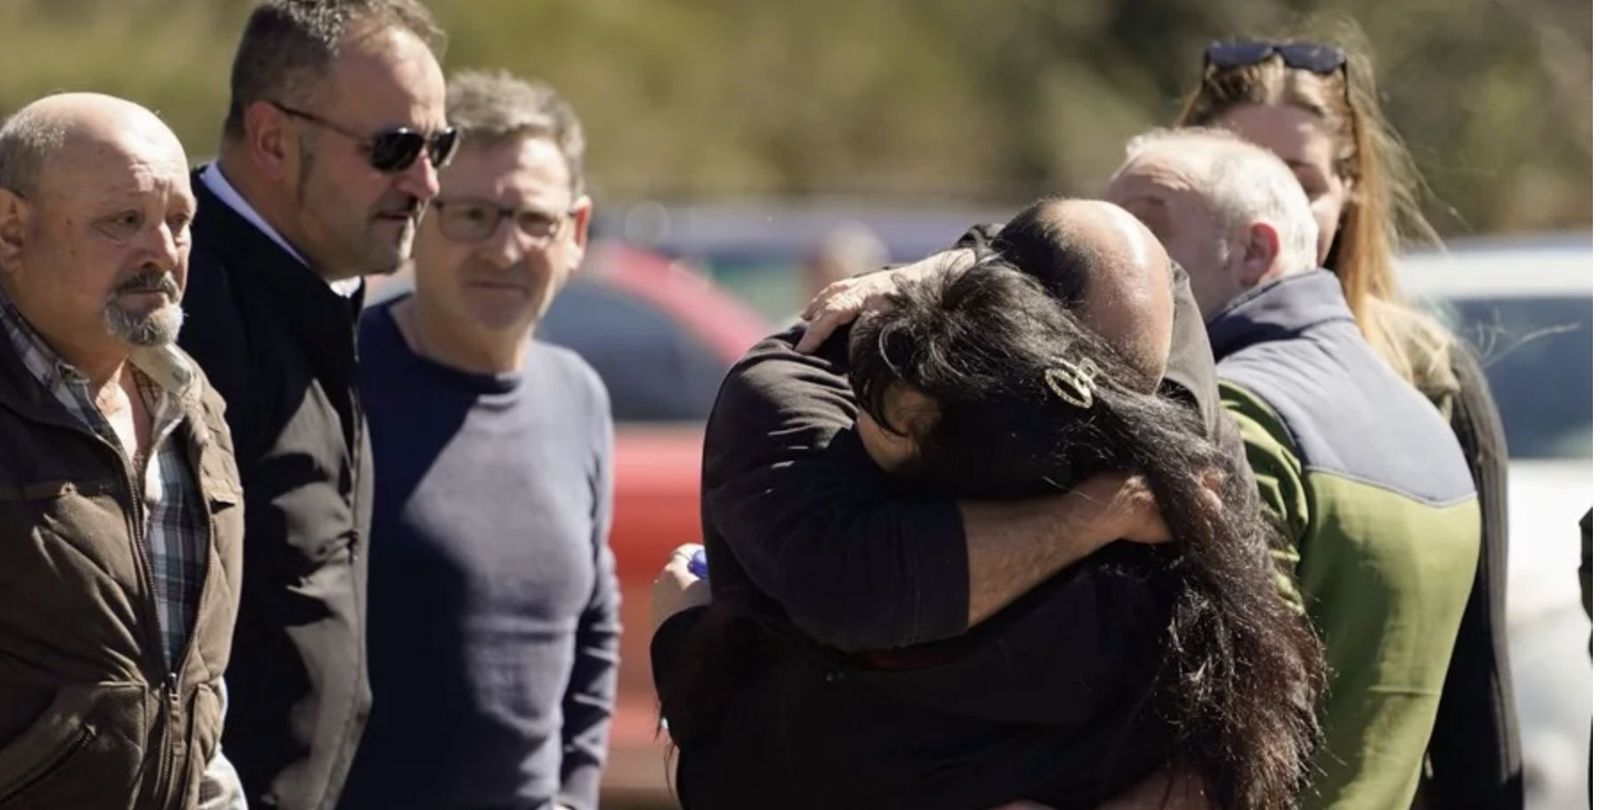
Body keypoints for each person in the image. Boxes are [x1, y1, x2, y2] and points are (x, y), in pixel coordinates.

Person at [655, 199, 1320, 809]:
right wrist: (1104, 511)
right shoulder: (799, 389)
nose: (1112, 438)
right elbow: (862, 589)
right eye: (1082, 408)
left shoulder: (1150, 393)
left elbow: (1266, 700)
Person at [1176, 37, 1520, 806]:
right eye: (1234, 171)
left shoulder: (1430, 376)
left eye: (1298, 180)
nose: (1265, 208)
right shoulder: (1115, 372)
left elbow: (1476, 688)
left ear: (1349, 192)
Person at [1106, 127, 1481, 809]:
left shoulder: (1237, 417)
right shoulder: (1425, 422)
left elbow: (1228, 741)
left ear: (1256, 250)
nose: (1115, 255)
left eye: (1144, 227)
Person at [176, 1, 453, 807]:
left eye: (441, 145)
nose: (427, 182)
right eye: (394, 148)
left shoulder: (317, 297)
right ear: (271, 139)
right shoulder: (178, 315)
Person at [337, 71, 619, 810]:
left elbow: (594, 623)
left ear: (577, 232)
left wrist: (574, 794)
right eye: (470, 216)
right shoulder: (331, 384)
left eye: (533, 219)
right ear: (414, 217)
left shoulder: (577, 396)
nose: (503, 249)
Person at [0, 92, 244, 809]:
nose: (163, 252)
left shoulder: (195, 417)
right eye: (124, 221)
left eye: (179, 222)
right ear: (11, 231)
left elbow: (192, 698)